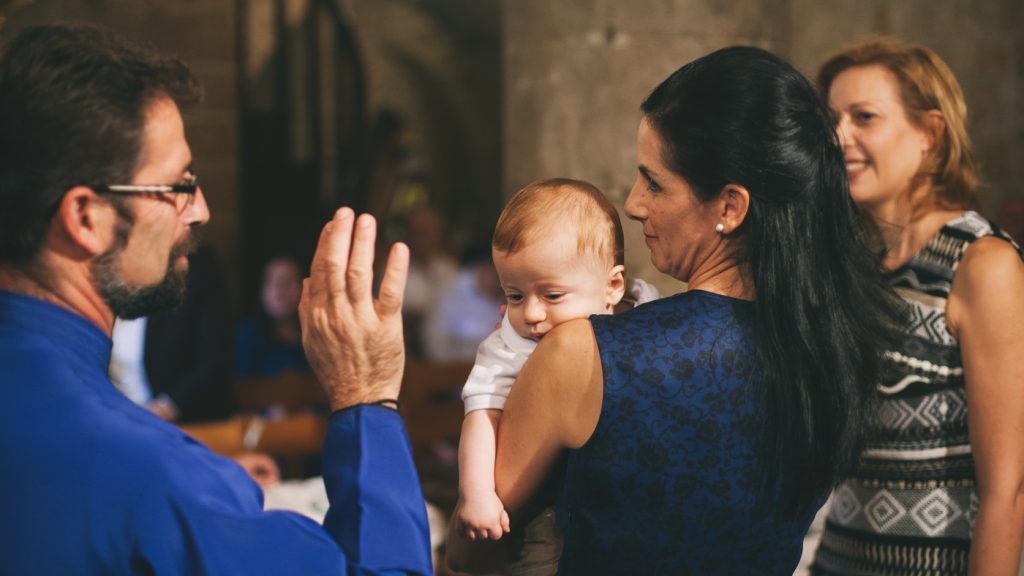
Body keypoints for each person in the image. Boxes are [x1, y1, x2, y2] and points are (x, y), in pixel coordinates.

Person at [448, 46, 902, 575]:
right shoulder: (826, 351)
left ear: (730, 206)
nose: (633, 203)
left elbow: (472, 549)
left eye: (654, 182)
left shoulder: (587, 353)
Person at [0, 24, 430, 574]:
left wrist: (206, 487)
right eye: (178, 185)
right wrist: (365, 397)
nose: (200, 209)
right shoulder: (150, 471)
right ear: (87, 218)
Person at [811, 39, 1024, 576]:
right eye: (832, 120)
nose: (839, 137)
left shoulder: (982, 264)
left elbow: (1009, 489)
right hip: (836, 561)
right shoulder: (858, 265)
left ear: (929, 134)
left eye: (864, 117)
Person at [453, 178, 660, 574]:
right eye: (514, 296)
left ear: (613, 286)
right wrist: (476, 493)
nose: (531, 314)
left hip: (620, 502)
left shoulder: (646, 311)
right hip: (546, 509)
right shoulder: (509, 345)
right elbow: (480, 415)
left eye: (552, 295)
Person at [109, 245, 235, 422]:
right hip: (116, 419)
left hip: (184, 422)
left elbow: (214, 357)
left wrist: (165, 409)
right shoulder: (103, 267)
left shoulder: (195, 266)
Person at [235, 255, 311, 379]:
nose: (280, 289)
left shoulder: (315, 335)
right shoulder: (247, 336)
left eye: (289, 281)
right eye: (273, 281)